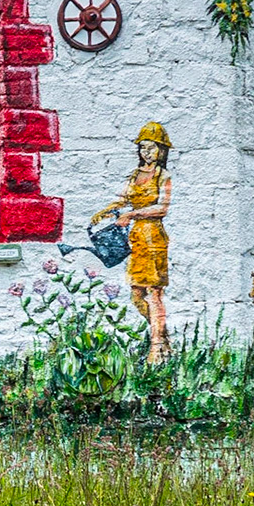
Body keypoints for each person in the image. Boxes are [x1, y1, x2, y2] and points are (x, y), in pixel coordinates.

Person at [92, 121, 173, 362]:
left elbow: (162, 208)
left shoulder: (163, 175)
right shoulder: (135, 175)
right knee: (136, 295)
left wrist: (133, 214)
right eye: (143, 148)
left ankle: (156, 347)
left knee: (154, 293)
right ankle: (163, 335)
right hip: (137, 237)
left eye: (151, 148)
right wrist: (107, 211)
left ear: (161, 151)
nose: (146, 153)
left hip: (153, 236)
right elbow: (124, 199)